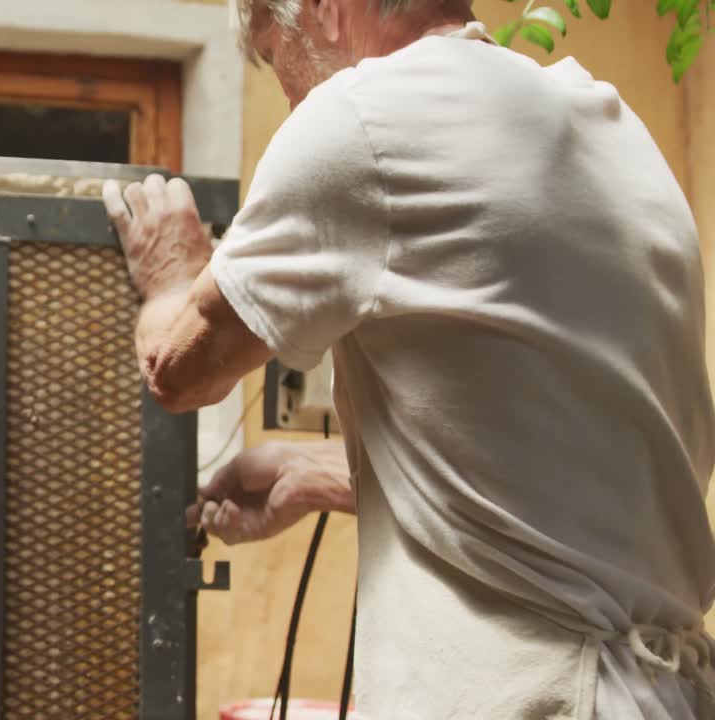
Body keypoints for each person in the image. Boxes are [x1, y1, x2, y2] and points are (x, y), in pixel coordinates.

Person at [101, 0, 715, 717]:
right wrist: (323, 474)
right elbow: (580, 467)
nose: (292, 97)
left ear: (327, 10)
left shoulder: (361, 121)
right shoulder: (607, 126)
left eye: (276, 59)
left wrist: (173, 276)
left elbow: (181, 372)